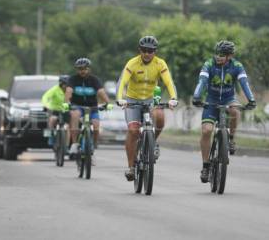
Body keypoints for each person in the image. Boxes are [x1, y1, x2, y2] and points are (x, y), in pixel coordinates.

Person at [192, 40, 256, 183]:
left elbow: (244, 83)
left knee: (235, 111)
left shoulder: (237, 66)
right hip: (211, 100)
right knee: (207, 131)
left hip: (229, 99)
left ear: (230, 56)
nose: (219, 56)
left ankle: (231, 139)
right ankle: (206, 166)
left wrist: (251, 99)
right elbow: (202, 81)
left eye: (223, 54)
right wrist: (196, 96)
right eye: (218, 53)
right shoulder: (209, 64)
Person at [116, 35, 178, 181]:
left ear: (155, 51)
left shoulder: (160, 64)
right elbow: (122, 81)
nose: (147, 53)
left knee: (160, 117)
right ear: (139, 50)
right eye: (144, 50)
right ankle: (131, 167)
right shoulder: (132, 63)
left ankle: (152, 142)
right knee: (133, 131)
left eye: (150, 51)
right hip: (132, 101)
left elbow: (169, 82)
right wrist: (120, 98)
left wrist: (173, 98)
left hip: (150, 100)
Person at [66, 58, 113, 161]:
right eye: (80, 69)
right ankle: (74, 144)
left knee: (96, 125)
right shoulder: (73, 79)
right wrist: (67, 103)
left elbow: (101, 92)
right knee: (74, 115)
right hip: (77, 106)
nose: (82, 71)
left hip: (92, 108)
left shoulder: (94, 80)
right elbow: (69, 91)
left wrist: (107, 103)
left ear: (89, 69)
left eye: (85, 69)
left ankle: (93, 146)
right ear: (77, 70)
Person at [42, 75, 71, 146]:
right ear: (61, 84)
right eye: (65, 84)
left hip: (65, 108)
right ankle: (51, 137)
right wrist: (46, 105)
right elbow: (45, 97)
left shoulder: (70, 90)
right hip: (55, 109)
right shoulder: (55, 89)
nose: (66, 86)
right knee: (53, 119)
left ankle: (66, 146)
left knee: (67, 127)